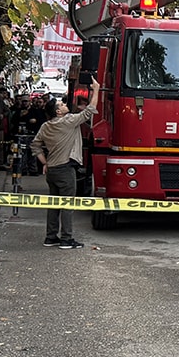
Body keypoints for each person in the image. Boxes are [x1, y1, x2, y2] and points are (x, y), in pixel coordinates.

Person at [32, 79, 100, 249]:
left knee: (54, 205)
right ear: (58, 111)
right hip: (65, 169)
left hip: (52, 169)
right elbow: (90, 111)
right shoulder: (68, 122)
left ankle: (51, 237)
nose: (64, 104)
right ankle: (66, 239)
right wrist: (96, 90)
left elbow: (35, 145)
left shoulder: (46, 126)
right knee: (68, 204)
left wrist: (44, 163)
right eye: (61, 104)